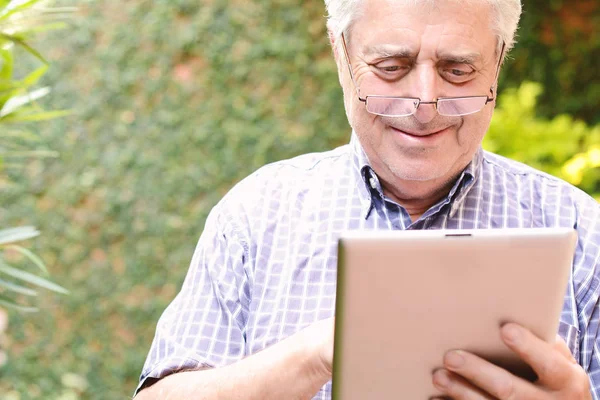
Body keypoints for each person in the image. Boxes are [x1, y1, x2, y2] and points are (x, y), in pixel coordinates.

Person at [135, 0, 600, 398]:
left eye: (457, 71)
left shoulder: (582, 229)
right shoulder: (256, 217)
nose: (425, 103)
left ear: (497, 61)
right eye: (391, 68)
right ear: (341, 53)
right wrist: (318, 354)